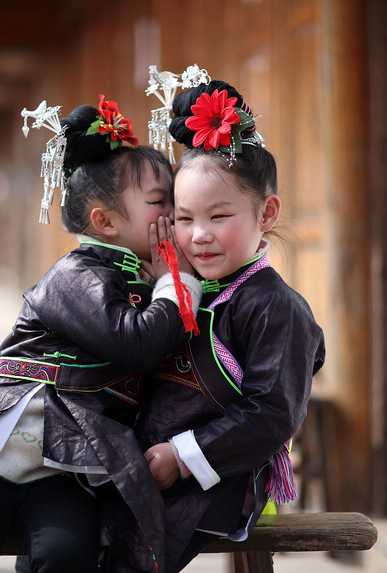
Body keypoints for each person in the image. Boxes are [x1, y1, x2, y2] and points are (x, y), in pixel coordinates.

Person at [0, 95, 202, 573]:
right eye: (161, 202)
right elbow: (138, 343)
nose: (172, 216)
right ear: (105, 222)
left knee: (68, 557)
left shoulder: (146, 278)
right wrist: (178, 284)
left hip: (62, 467)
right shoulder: (75, 274)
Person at [111, 80, 327, 572]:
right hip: (152, 460)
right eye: (184, 219)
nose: (199, 235)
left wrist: (183, 456)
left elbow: (272, 413)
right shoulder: (180, 285)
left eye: (219, 215)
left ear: (266, 212)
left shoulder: (278, 307)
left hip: (219, 477)